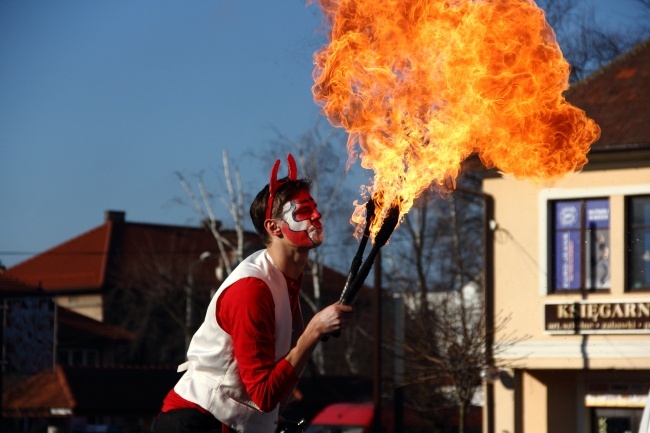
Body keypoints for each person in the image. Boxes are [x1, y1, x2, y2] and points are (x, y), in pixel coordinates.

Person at [153, 154, 353, 433]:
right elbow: (263, 394)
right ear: (273, 227)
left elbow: (277, 383)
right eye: (303, 211)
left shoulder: (287, 279)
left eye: (314, 207)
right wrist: (314, 331)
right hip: (195, 422)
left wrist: (274, 418)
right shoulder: (251, 290)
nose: (317, 215)